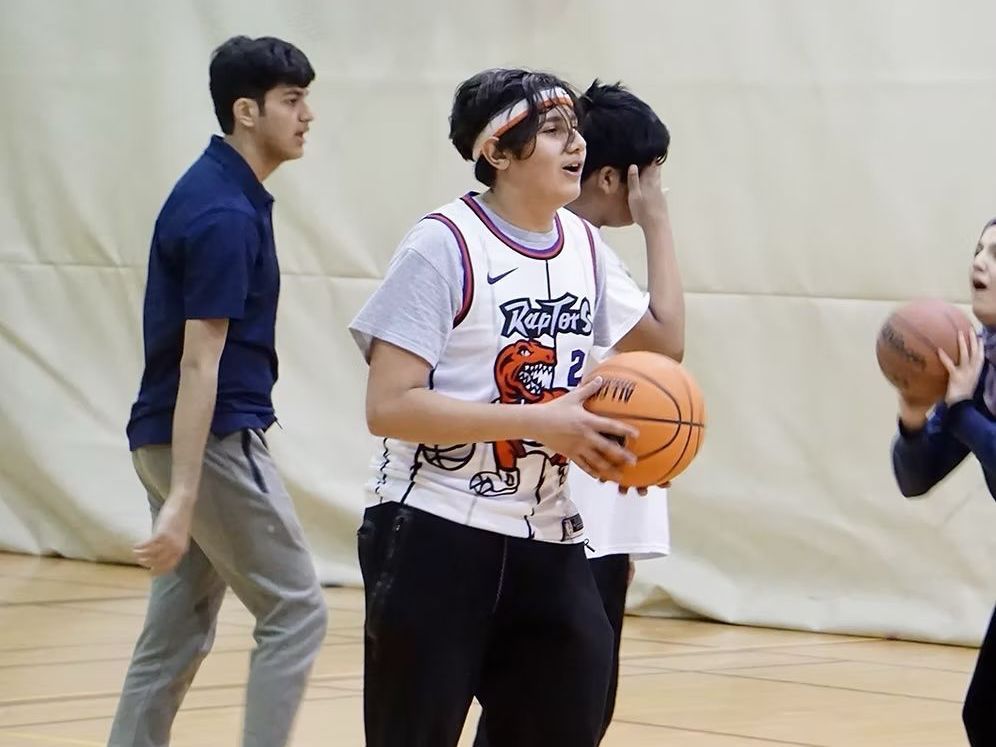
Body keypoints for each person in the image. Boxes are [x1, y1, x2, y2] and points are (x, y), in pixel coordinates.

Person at [349, 68, 649, 747]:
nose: (576, 143)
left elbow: (648, 357)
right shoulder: (442, 244)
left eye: (576, 129)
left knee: (572, 712)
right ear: (497, 152)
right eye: (552, 130)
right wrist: (541, 422)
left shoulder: (587, 248)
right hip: (434, 528)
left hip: (548, 534)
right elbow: (389, 404)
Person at [109, 35, 327, 747]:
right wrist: (182, 495)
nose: (307, 115)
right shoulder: (223, 213)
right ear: (246, 111)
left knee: (174, 635)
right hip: (209, 440)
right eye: (292, 101)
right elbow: (202, 362)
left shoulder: (222, 190)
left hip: (169, 438)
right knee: (296, 607)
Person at [474, 79, 683, 745]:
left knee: (554, 714)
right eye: (652, 177)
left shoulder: (580, 254)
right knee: (562, 714)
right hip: (569, 516)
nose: (657, 190)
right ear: (622, 176)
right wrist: (659, 223)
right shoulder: (582, 255)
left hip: (591, 518)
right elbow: (668, 342)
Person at [890, 217, 996, 746]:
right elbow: (917, 479)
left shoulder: (970, 386)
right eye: (978, 248)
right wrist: (913, 417)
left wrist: (960, 414)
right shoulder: (978, 360)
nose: (978, 262)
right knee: (985, 716)